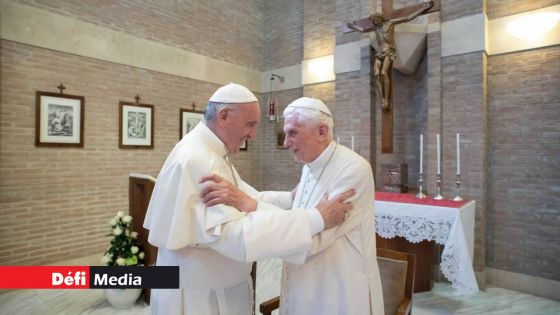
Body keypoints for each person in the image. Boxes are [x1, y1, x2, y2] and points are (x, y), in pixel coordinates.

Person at [143, 83, 355, 315]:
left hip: (206, 287)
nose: (253, 134)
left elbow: (243, 197)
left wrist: (289, 198)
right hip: (201, 298)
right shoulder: (201, 159)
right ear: (224, 116)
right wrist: (316, 219)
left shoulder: (207, 150)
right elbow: (236, 236)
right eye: (250, 124)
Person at [201, 97, 385, 314]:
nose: (286, 142)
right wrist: (246, 200)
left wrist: (249, 204)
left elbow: (312, 241)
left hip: (337, 291)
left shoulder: (354, 170)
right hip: (302, 286)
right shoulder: (310, 164)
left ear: (322, 131)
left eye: (293, 133)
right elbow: (299, 209)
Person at [347, 0, 434, 111]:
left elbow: (407, 18)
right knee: (376, 74)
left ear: (380, 18)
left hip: (388, 51)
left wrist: (422, 9)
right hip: (379, 53)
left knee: (383, 73)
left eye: (376, 19)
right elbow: (363, 30)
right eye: (373, 20)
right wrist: (354, 26)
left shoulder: (390, 23)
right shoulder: (375, 28)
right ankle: (383, 99)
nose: (375, 22)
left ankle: (387, 100)